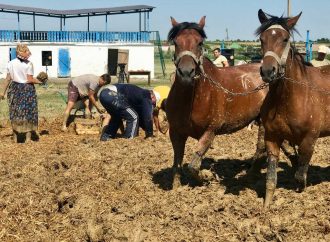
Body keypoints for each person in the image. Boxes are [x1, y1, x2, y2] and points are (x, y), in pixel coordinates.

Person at [0, 44, 47, 143]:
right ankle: (28, 138)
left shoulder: (11, 63)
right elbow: (29, 79)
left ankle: (15, 137)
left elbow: (8, 79)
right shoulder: (29, 64)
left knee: (15, 112)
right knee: (28, 112)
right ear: (25, 52)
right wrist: (40, 82)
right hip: (27, 90)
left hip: (14, 88)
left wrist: (2, 92)